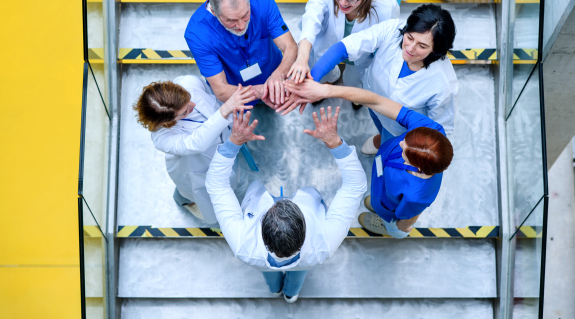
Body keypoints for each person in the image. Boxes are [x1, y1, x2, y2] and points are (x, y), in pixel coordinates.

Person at [205, 107, 367, 302]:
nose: (280, 200)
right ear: (303, 227)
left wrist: (233, 143)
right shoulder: (324, 246)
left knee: (267, 272)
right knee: (300, 272)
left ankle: (274, 289)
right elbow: (355, 186)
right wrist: (335, 143)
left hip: (261, 262)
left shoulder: (243, 248)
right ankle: (291, 294)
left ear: (263, 234)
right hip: (306, 261)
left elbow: (217, 185)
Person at [280, 4, 458, 155]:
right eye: (409, 37)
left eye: (422, 46)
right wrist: (310, 82)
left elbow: (439, 129)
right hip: (370, 100)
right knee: (378, 120)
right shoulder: (393, 29)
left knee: (390, 148)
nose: (410, 48)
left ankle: (386, 141)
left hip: (401, 130)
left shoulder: (442, 84)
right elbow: (343, 48)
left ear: (437, 50)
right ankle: (382, 136)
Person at [284, 79, 453, 238]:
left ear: (419, 167)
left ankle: (387, 225)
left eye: (405, 152)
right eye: (405, 139)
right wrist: (327, 90)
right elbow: (377, 101)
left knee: (393, 221)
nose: (400, 143)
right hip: (383, 181)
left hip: (391, 208)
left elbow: (407, 219)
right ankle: (379, 203)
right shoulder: (430, 131)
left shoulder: (417, 195)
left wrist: (399, 228)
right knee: (380, 198)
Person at [133, 76, 255, 224]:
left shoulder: (188, 82)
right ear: (167, 122)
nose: (193, 104)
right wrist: (224, 111)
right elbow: (195, 144)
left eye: (188, 98)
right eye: (184, 112)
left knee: (234, 179)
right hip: (199, 167)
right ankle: (182, 201)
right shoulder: (162, 137)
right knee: (195, 194)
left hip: (226, 149)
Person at [287, 0, 400, 101]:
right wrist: (302, 58)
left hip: (361, 56)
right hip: (326, 47)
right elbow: (311, 21)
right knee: (322, 74)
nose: (343, 2)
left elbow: (388, 39)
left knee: (355, 85)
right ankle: (327, 82)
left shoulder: (386, 7)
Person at [184, 0, 298, 108]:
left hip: (273, 76)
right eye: (231, 20)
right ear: (214, 13)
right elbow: (221, 90)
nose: (241, 25)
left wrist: (278, 76)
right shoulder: (197, 33)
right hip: (236, 93)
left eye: (245, 15)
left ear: (249, 2)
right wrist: (265, 91)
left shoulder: (263, 0)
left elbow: (290, 46)